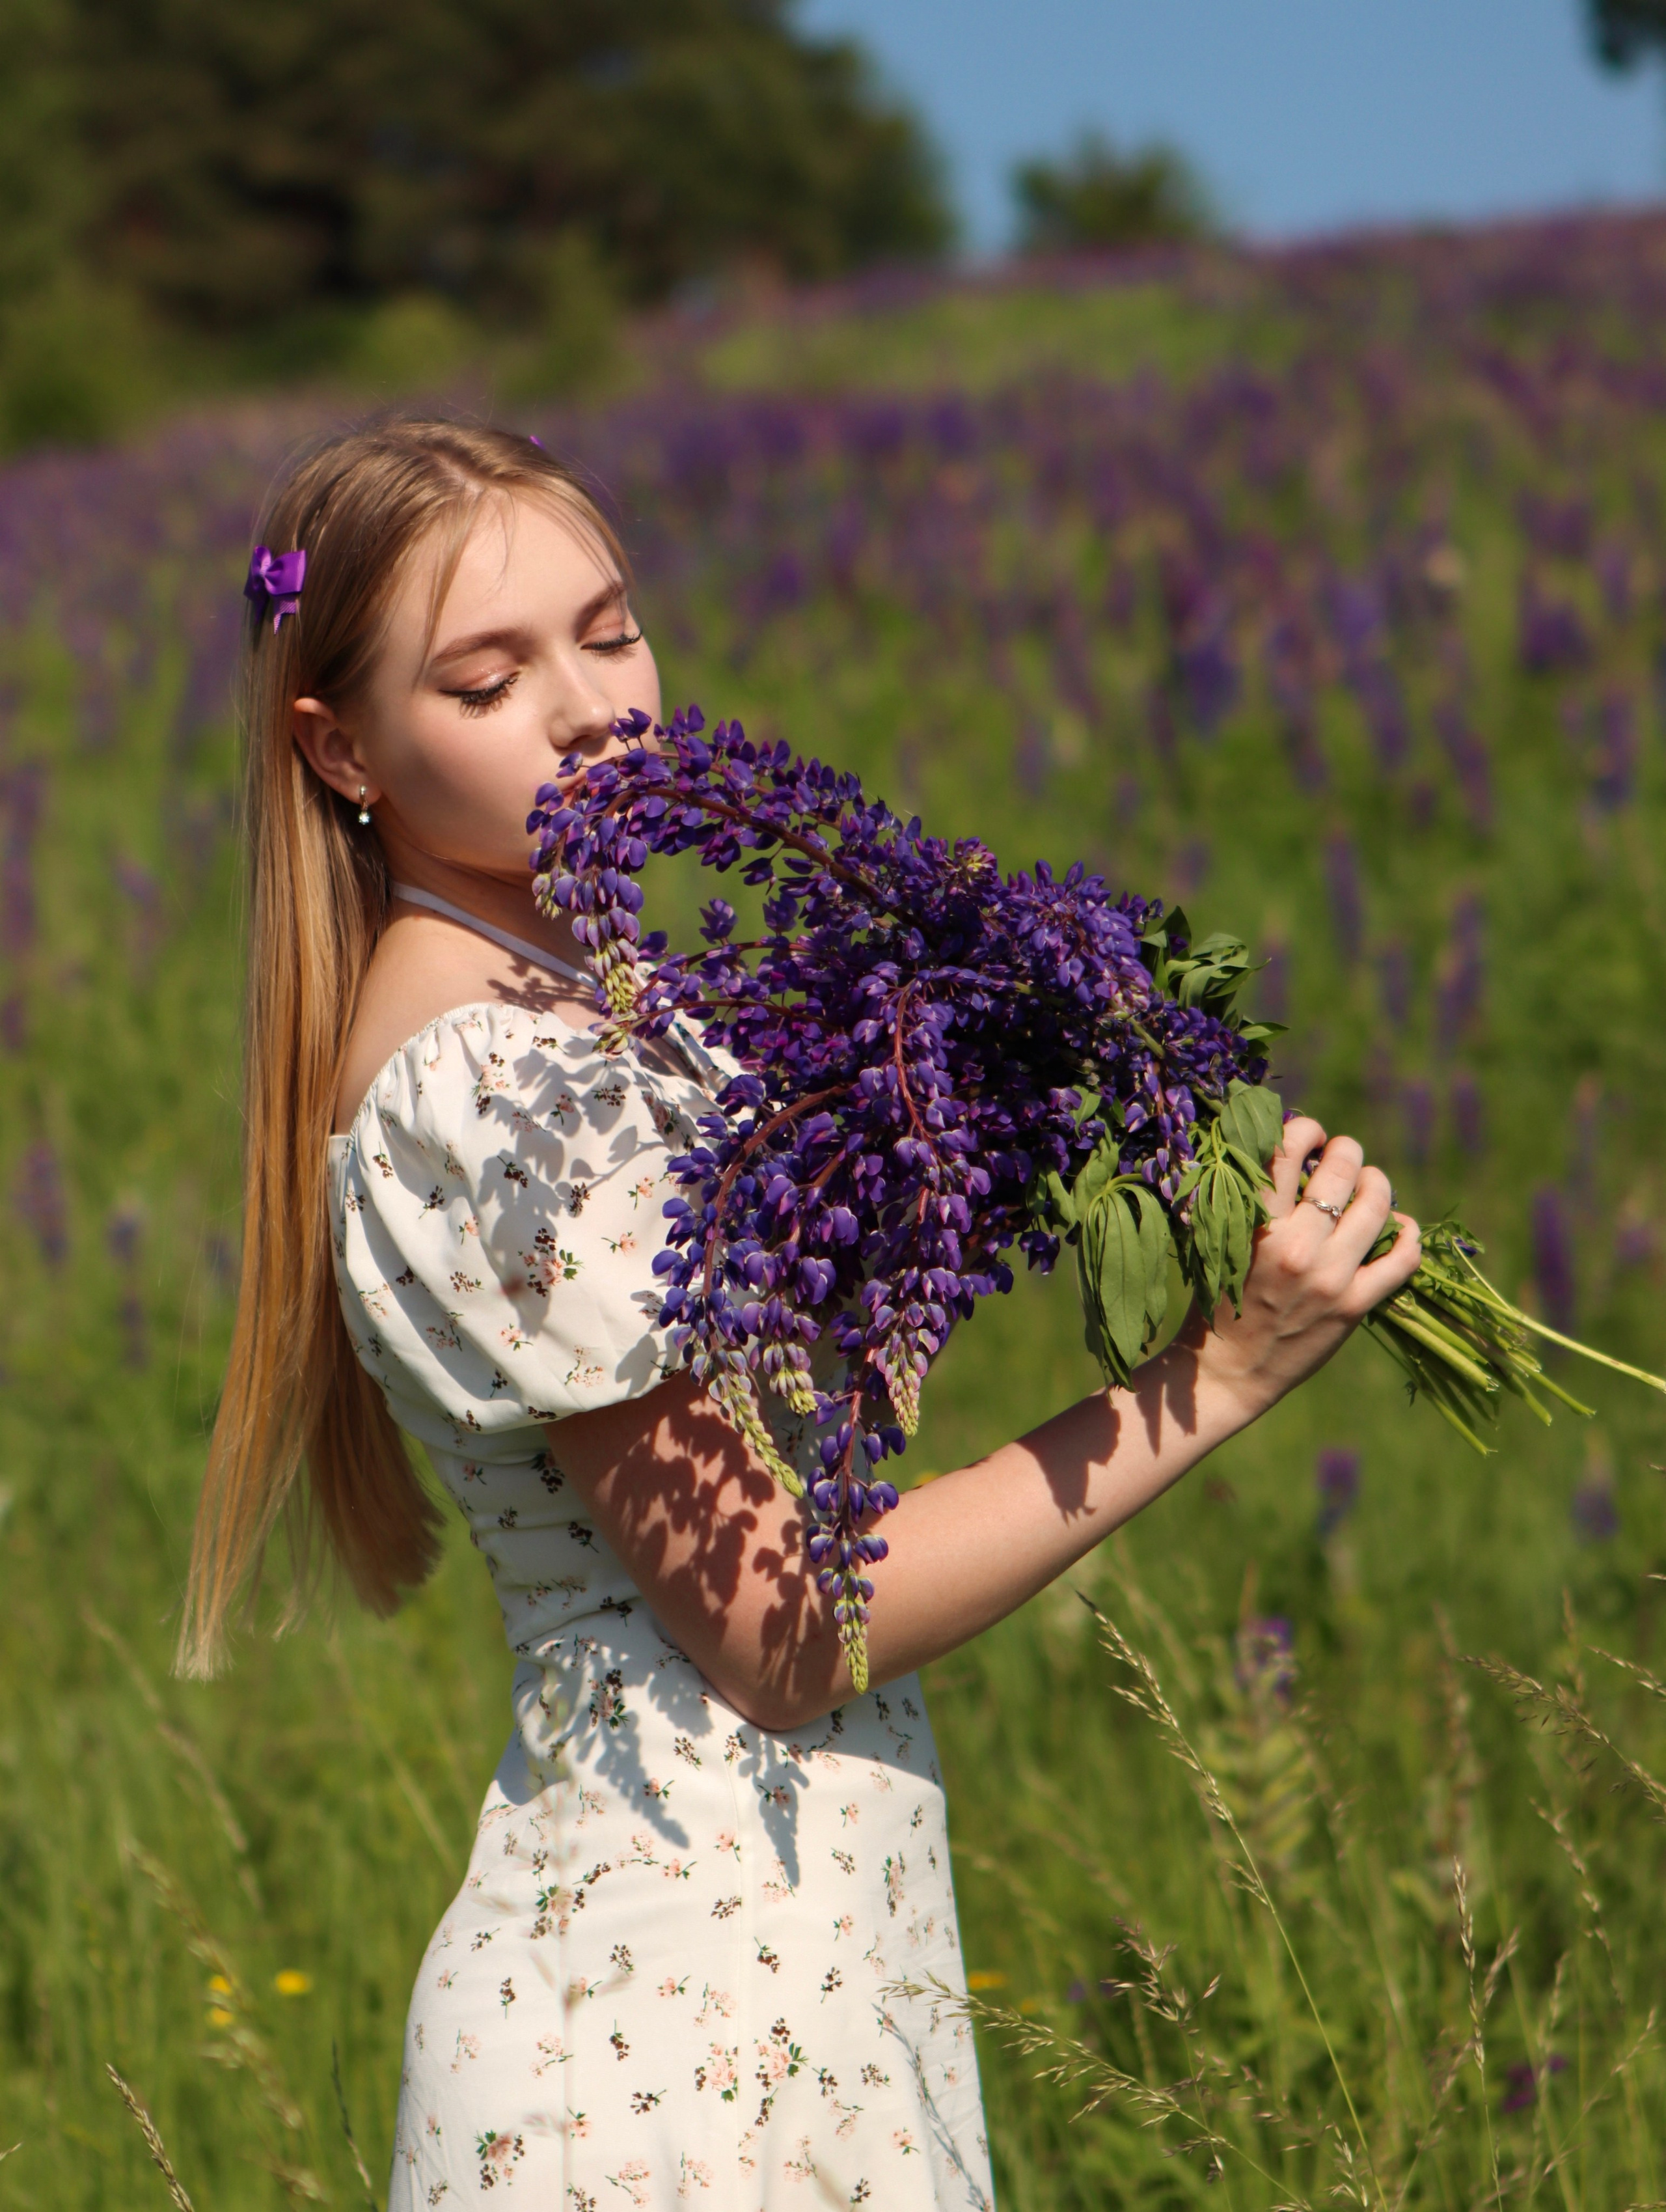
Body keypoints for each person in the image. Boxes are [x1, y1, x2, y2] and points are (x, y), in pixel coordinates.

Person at [182, 415, 1421, 2209]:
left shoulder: (588, 1019)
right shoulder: (502, 1088)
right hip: (681, 2041)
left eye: (610, 631)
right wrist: (1214, 1380)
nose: (594, 708)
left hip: (759, 1966)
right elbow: (783, 1632)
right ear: (342, 747)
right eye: (487, 677)